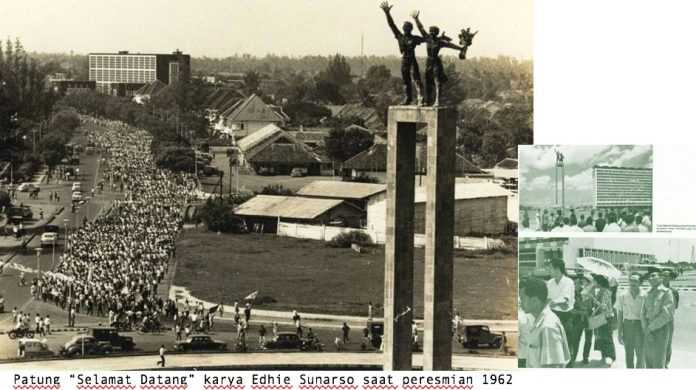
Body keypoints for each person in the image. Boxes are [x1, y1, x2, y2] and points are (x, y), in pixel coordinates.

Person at [379, 1, 425, 105]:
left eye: (408, 28)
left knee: (416, 78)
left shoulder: (414, 38)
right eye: (404, 28)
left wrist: (417, 20)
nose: (405, 29)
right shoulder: (400, 37)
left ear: (411, 29)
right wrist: (387, 13)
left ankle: (421, 97)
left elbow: (425, 37)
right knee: (406, 80)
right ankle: (408, 98)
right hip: (405, 60)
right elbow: (392, 25)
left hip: (412, 59)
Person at [519, 277, 570, 368]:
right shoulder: (538, 321)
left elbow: (553, 367)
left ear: (534, 300)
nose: (519, 302)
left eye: (522, 298)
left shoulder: (548, 327)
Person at [641, 269, 675, 368]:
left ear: (660, 278)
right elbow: (642, 312)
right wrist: (645, 329)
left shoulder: (667, 292)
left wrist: (650, 328)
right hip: (647, 330)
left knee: (658, 362)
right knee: (648, 361)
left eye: (653, 276)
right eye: (649, 277)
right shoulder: (647, 293)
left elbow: (666, 315)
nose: (650, 278)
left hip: (660, 330)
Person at [546, 259, 575, 366]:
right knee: (553, 342)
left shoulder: (568, 282)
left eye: (550, 268)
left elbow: (565, 302)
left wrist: (554, 302)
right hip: (553, 315)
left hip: (566, 316)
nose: (549, 270)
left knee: (567, 342)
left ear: (557, 269)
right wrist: (555, 303)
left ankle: (569, 365)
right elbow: (548, 300)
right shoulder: (550, 283)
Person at [616, 273, 645, 368]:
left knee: (640, 353)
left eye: (635, 281)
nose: (633, 283)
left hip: (640, 326)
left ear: (640, 283)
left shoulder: (645, 295)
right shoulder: (623, 295)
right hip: (627, 325)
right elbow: (620, 314)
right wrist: (619, 331)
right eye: (631, 280)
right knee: (629, 353)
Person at [591, 274, 616, 366]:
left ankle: (611, 356)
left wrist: (594, 300)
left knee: (607, 337)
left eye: (595, 281)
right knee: (601, 337)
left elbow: (604, 306)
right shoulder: (600, 291)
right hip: (601, 316)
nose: (593, 283)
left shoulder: (606, 291)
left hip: (606, 317)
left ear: (599, 282)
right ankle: (604, 355)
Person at [662, 270, 679, 367]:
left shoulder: (674, 291)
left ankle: (666, 363)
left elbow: (675, 306)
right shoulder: (656, 289)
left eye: (667, 276)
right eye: (663, 275)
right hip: (657, 320)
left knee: (668, 342)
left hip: (669, 320)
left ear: (670, 278)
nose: (664, 277)